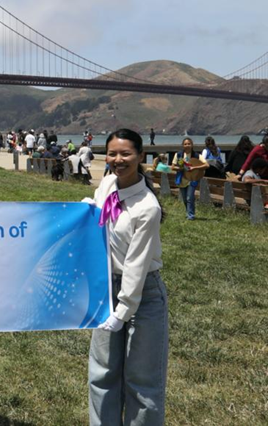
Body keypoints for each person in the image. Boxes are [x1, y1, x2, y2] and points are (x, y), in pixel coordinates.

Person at [87, 129, 168, 426]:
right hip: (107, 287)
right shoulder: (108, 183)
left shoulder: (147, 207)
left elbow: (136, 264)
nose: (118, 160)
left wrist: (123, 311)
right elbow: (99, 212)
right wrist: (87, 209)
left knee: (142, 380)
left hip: (142, 294)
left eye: (126, 154)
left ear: (140, 156)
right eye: (112, 154)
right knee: (102, 374)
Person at [171, 138, 206, 220]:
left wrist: (194, 167)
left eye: (189, 144)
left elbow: (206, 165)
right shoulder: (178, 155)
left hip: (192, 179)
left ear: (192, 145)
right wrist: (181, 168)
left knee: (189, 197)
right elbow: (173, 167)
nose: (187, 145)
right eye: (185, 144)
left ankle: (191, 215)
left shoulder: (197, 156)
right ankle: (188, 212)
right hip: (182, 179)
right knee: (184, 198)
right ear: (183, 145)